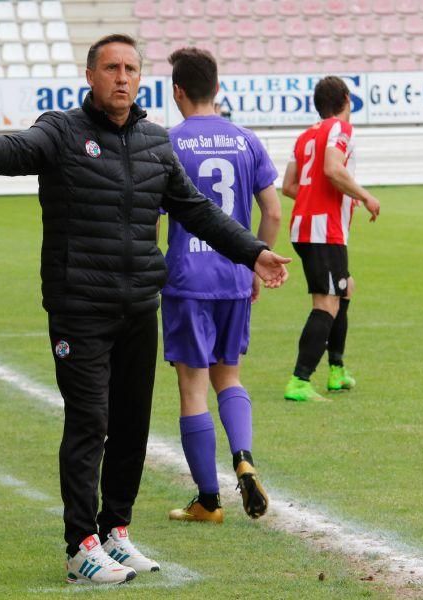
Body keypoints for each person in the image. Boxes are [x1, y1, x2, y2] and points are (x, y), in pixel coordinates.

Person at [0, 34, 290, 585]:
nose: (123, 77)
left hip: (138, 307)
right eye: (112, 68)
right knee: (90, 422)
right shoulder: (61, 130)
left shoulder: (157, 142)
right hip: (79, 306)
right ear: (91, 76)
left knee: (132, 426)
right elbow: (21, 152)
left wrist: (253, 252)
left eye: (131, 68)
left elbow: (197, 212)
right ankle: (80, 545)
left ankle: (116, 532)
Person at [161, 48, 281, 524]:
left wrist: (156, 269)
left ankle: (209, 501)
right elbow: (272, 211)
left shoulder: (167, 142)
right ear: (218, 88)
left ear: (177, 91)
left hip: (187, 281)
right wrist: (253, 265)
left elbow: (151, 217)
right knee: (228, 376)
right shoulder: (246, 140)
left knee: (193, 389)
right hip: (233, 277)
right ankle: (244, 457)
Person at [280, 76, 380, 402]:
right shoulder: (340, 129)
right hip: (323, 231)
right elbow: (333, 170)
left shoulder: (307, 134)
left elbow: (289, 185)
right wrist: (364, 196)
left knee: (345, 287)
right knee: (325, 302)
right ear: (347, 100)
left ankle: (336, 370)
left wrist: (315, 201)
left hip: (308, 226)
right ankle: (299, 380)